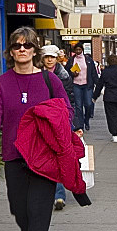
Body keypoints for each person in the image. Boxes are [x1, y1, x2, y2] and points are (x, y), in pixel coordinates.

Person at [0, 27, 78, 231]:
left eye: (26, 45)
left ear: (35, 50)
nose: (21, 49)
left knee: (38, 213)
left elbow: (66, 110)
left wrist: (57, 122)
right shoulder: (2, 84)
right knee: (19, 210)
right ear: (10, 52)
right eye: (16, 46)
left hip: (44, 159)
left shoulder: (50, 81)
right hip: (14, 157)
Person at [41, 44, 79, 211]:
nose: (49, 60)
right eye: (47, 57)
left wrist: (72, 121)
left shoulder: (64, 76)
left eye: (52, 57)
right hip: (40, 119)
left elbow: (70, 99)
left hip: (59, 119)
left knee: (58, 156)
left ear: (57, 59)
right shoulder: (35, 74)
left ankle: (58, 195)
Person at [65, 43, 99, 132]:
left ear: (82, 50)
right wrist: (72, 74)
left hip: (87, 85)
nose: (78, 52)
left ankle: (86, 119)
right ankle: (81, 125)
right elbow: (66, 72)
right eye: (76, 50)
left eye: (79, 50)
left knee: (88, 104)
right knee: (78, 106)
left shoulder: (88, 60)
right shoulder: (71, 60)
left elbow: (93, 73)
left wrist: (98, 85)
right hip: (76, 85)